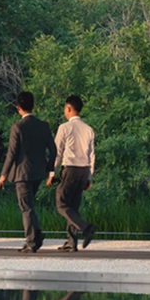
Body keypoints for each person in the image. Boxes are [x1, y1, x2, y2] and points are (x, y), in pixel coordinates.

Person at [0, 91, 57, 254]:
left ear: (18, 107)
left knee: (26, 208)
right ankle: (36, 236)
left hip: (22, 174)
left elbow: (12, 153)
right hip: (38, 173)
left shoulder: (17, 127)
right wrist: (49, 169)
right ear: (33, 106)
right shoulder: (43, 126)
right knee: (29, 206)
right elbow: (53, 151)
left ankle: (32, 241)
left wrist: (3, 174)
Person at [47, 94, 97, 253]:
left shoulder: (64, 128)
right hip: (83, 170)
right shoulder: (89, 129)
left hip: (70, 169)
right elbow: (91, 155)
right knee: (73, 207)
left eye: (65, 108)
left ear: (69, 108)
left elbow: (57, 152)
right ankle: (71, 242)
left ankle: (86, 227)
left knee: (61, 204)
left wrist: (51, 173)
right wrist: (89, 177)